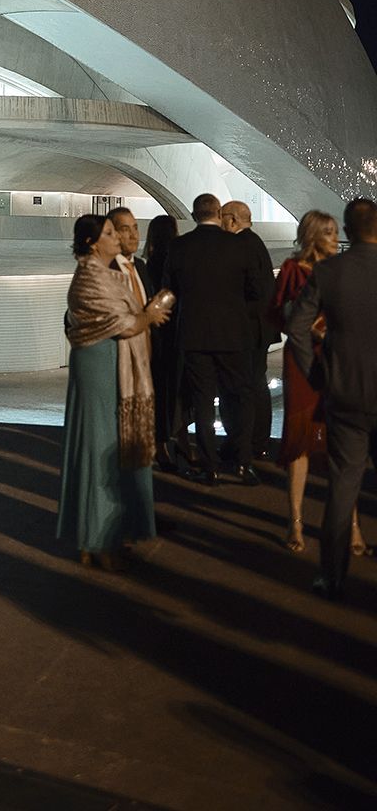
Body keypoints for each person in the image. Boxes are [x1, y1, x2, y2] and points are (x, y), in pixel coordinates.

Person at [57, 214, 170, 567]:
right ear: (92, 243)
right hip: (99, 366)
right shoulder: (91, 276)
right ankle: (97, 538)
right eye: (109, 233)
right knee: (98, 446)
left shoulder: (109, 275)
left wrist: (144, 315)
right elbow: (122, 323)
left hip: (109, 363)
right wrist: (148, 317)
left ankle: (100, 536)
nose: (117, 238)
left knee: (110, 445)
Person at [287, 197, 377, 600]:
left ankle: (332, 575)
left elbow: (297, 326)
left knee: (343, 486)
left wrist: (316, 373)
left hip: (344, 393)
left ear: (347, 229)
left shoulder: (329, 271)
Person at [269, 210, 367, 556]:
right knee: (300, 442)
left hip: (337, 359)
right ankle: (294, 520)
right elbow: (277, 314)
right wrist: (303, 321)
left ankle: (352, 525)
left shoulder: (342, 270)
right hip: (302, 363)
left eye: (334, 230)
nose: (333, 236)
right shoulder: (294, 269)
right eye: (326, 231)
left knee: (341, 446)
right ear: (312, 234)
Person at [163, 192, 272, 484]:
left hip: (194, 334)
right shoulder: (238, 246)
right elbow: (255, 290)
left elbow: (169, 290)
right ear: (218, 212)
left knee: (202, 400)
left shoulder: (179, 246)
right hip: (234, 334)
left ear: (195, 213)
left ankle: (209, 465)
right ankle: (243, 461)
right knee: (242, 395)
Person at [219, 199, 276, 462]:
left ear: (232, 219)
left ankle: (249, 442)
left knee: (246, 386)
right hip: (260, 328)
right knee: (256, 384)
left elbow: (252, 289)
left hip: (248, 329)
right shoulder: (255, 243)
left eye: (222, 218)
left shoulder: (241, 245)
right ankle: (258, 441)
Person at [142, 212, 183, 465]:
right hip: (175, 331)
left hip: (154, 333)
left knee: (157, 389)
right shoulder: (176, 261)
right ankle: (175, 442)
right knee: (174, 390)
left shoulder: (148, 265)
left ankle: (159, 443)